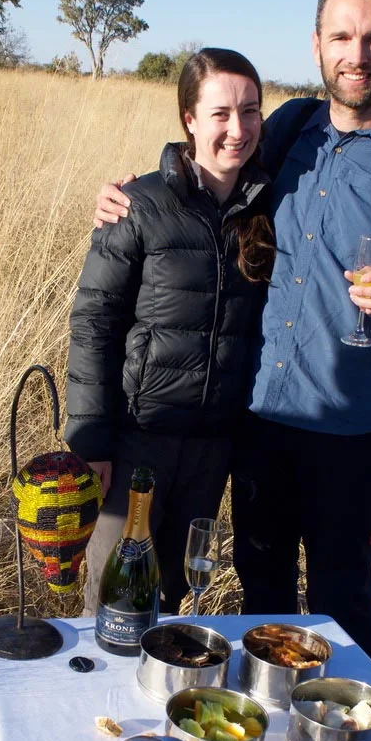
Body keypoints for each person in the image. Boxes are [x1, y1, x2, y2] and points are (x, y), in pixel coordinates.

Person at [92, 0, 371, 661]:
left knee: (341, 594)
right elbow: (214, 156)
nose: (358, 54)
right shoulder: (290, 125)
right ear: (319, 43)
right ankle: (267, 731)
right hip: (260, 417)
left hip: (350, 430)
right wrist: (135, 194)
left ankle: (346, 739)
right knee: (259, 579)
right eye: (343, 37)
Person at [66, 47, 276, 614]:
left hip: (213, 450)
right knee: (112, 597)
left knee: (173, 593)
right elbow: (93, 323)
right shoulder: (137, 206)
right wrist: (89, 438)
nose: (238, 129)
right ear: (188, 118)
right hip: (137, 441)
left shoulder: (271, 207)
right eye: (220, 114)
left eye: (251, 111)